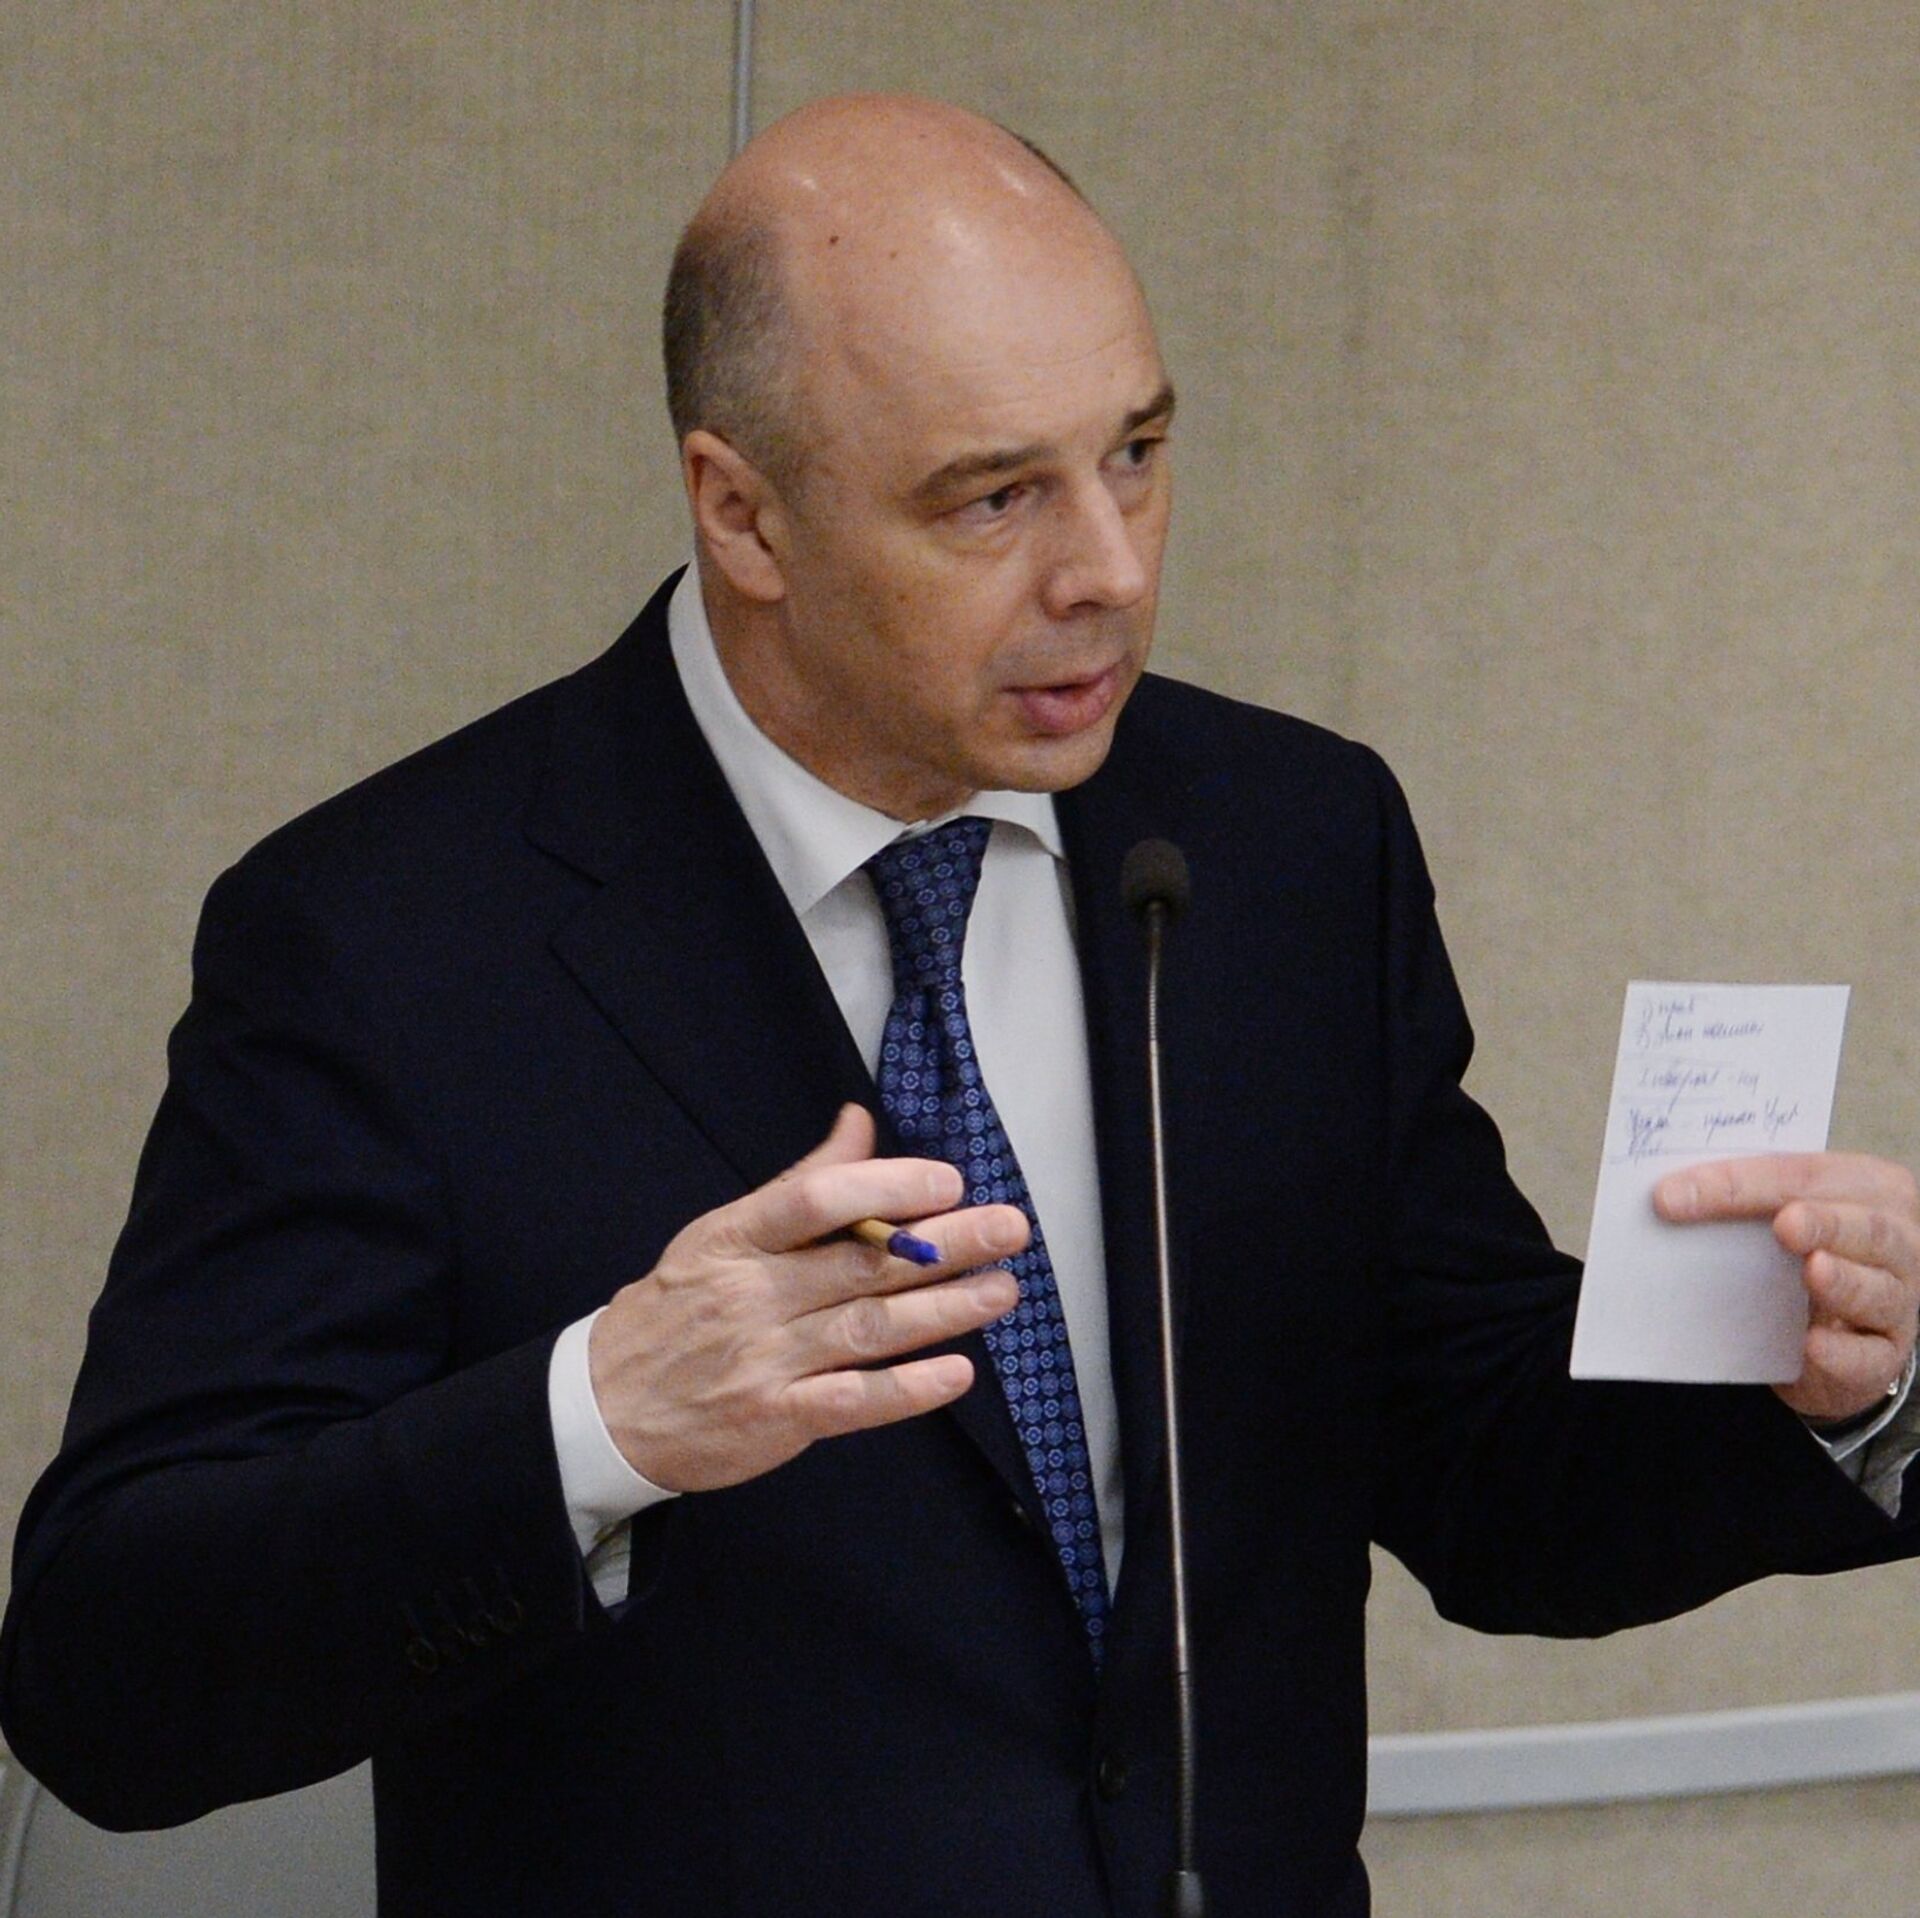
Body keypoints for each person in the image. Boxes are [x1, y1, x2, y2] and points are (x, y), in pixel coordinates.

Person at [5, 94, 1920, 1918]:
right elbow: (109, 1670)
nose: (1110, 571)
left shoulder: (1284, 845)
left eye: (1138, 452)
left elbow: (1484, 1468)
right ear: (744, 516)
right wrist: (601, 1416)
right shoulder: (394, 939)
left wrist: (1810, 1383)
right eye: (994, 497)